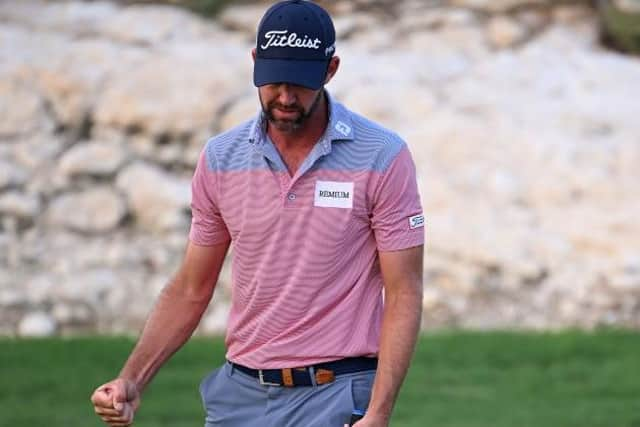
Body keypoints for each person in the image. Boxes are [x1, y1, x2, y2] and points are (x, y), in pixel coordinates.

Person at [90, 1, 424, 426]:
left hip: (338, 394)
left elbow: (404, 292)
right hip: (240, 397)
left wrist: (379, 411)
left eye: (300, 83)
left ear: (330, 70)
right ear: (254, 64)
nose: (285, 97)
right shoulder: (220, 158)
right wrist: (132, 380)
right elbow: (193, 287)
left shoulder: (382, 155)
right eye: (273, 81)